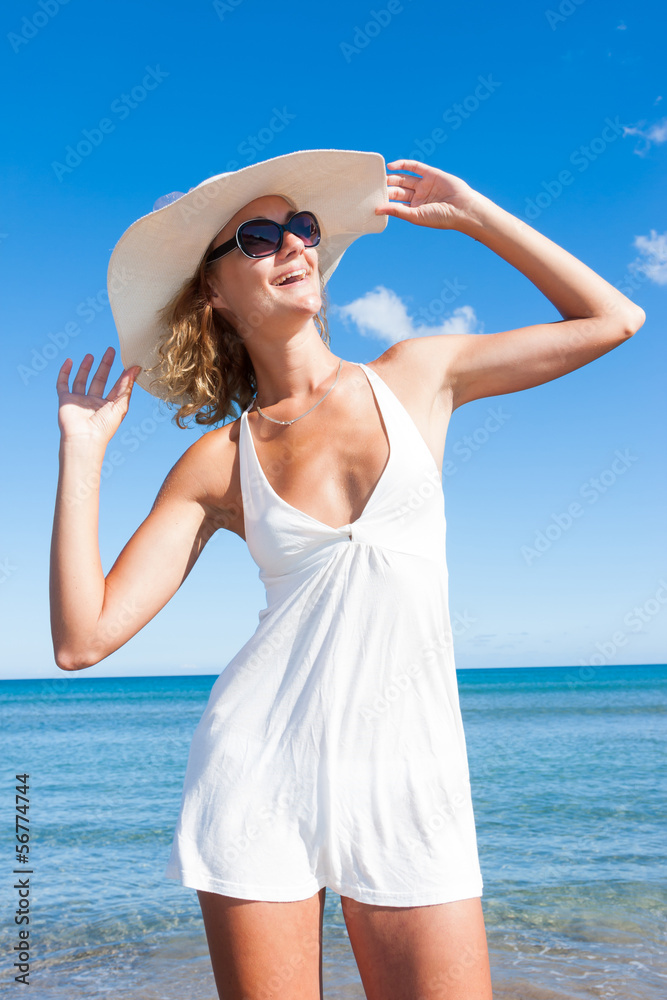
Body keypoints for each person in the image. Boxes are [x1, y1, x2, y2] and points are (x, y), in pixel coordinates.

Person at [50, 149, 645, 1000]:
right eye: (259, 237)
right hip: (256, 774)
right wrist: (82, 456)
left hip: (412, 777)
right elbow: (82, 639)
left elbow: (613, 318)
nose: (294, 245)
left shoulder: (416, 375)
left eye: (303, 229)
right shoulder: (216, 462)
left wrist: (475, 212)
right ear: (214, 292)